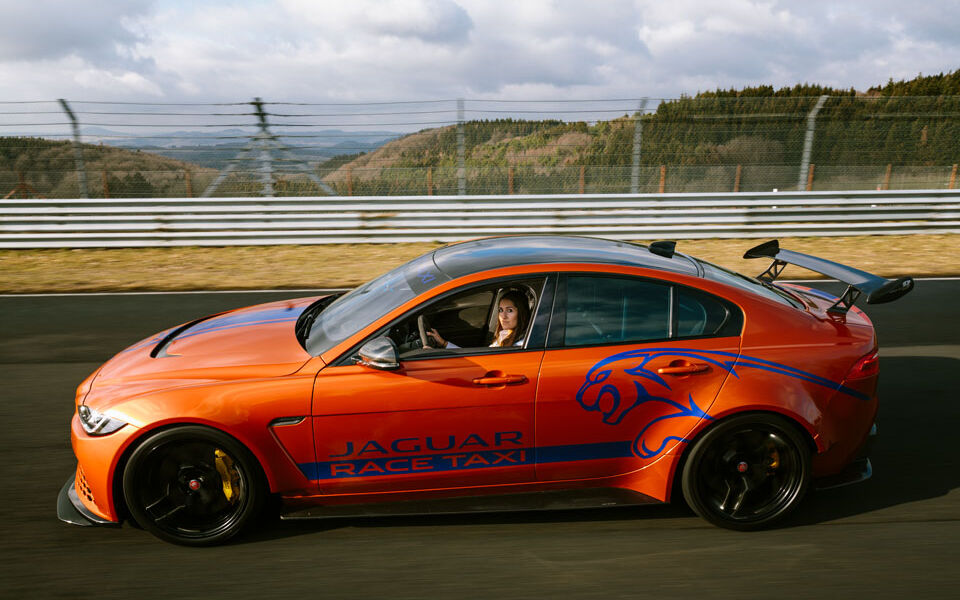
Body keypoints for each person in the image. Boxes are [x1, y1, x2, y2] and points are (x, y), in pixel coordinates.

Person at [426, 290, 531, 349]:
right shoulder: (504, 335)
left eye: (510, 311)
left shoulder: (519, 345)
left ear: (522, 314)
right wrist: (444, 343)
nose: (503, 316)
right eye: (500, 310)